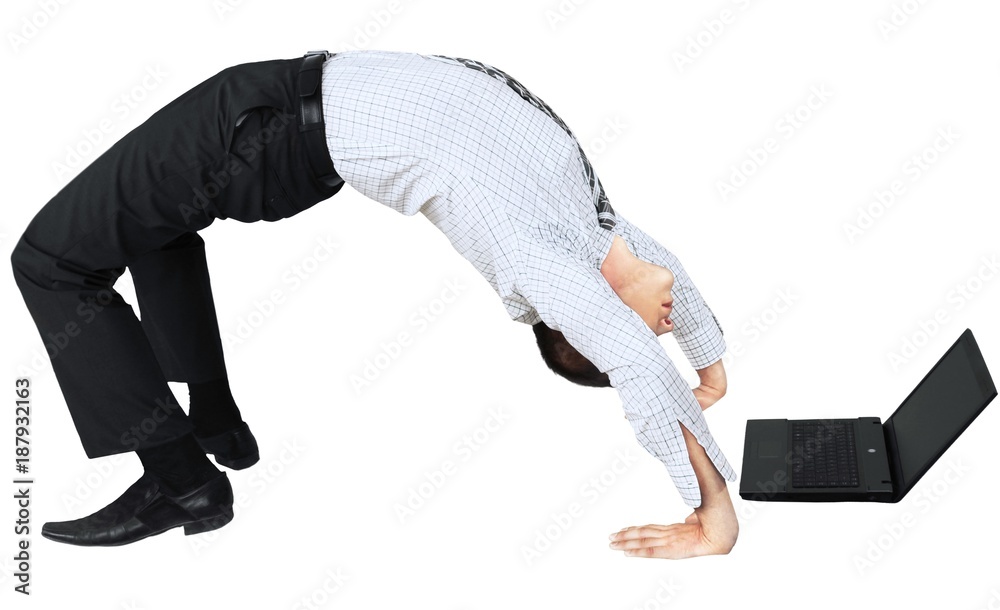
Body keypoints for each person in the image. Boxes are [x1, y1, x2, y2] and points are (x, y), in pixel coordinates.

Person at [11, 49, 738, 557]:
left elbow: (640, 368)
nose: (665, 324)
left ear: (594, 314)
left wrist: (714, 517)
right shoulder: (590, 227)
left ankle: (179, 483)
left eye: (646, 329)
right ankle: (216, 427)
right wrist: (711, 370)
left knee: (49, 260)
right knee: (151, 223)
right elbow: (663, 281)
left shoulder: (542, 263)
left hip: (261, 128)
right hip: (277, 115)